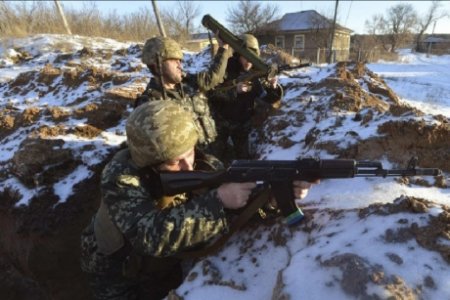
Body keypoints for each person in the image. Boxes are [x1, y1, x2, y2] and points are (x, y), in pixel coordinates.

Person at [80, 100, 315, 300]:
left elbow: (237, 208)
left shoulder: (204, 164)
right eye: (174, 162)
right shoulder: (120, 177)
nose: (187, 167)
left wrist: (271, 199)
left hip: (164, 263)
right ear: (149, 163)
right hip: (116, 269)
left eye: (189, 153)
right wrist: (219, 200)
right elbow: (150, 237)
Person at [135, 35, 231, 149]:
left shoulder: (189, 83)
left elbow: (212, 78)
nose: (179, 65)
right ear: (156, 65)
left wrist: (223, 49)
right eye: (174, 60)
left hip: (216, 152)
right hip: (190, 163)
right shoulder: (151, 103)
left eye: (180, 60)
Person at [208, 34, 284, 162]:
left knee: (243, 160)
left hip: (242, 124)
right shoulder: (225, 68)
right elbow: (212, 93)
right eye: (245, 56)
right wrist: (234, 91)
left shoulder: (257, 72)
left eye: (252, 57)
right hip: (221, 122)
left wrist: (273, 87)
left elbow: (267, 99)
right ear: (238, 55)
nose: (248, 61)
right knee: (215, 158)